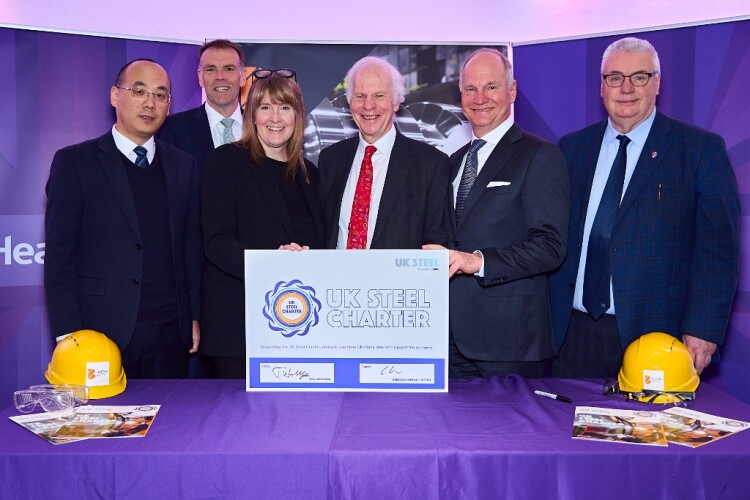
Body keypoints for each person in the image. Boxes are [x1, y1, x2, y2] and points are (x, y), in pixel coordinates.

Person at [549, 37, 740, 378]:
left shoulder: (698, 150)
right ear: (601, 86)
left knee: (650, 430)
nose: (626, 88)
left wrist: (704, 329)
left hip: (659, 337)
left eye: (639, 77)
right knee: (563, 429)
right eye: (614, 77)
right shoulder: (571, 149)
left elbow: (718, 250)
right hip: (572, 334)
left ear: (657, 83)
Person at [44, 59, 201, 378]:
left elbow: (191, 249)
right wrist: (68, 338)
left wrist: (194, 316)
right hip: (98, 334)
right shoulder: (75, 163)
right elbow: (60, 257)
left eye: (161, 95)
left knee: (173, 425)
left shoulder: (184, 166)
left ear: (168, 106)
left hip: (172, 333)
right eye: (139, 91)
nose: (150, 102)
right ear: (115, 95)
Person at [424, 48, 569, 379]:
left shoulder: (540, 155)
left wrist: (477, 261)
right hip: (447, 340)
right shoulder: (452, 161)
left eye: (491, 87)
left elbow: (550, 247)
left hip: (509, 343)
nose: (480, 98)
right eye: (470, 89)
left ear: (512, 91)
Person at [200, 70, 326, 378]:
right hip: (239, 325)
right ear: (252, 115)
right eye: (265, 107)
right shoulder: (226, 161)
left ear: (298, 116)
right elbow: (217, 242)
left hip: (299, 327)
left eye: (285, 108)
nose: (275, 118)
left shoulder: (310, 173)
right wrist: (270, 265)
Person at [318, 56, 449, 250]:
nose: (368, 105)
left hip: (400, 280)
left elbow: (435, 244)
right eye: (360, 96)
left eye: (379, 95)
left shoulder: (431, 164)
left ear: (396, 102)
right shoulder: (331, 160)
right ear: (350, 102)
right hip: (335, 278)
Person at [160, 39, 246, 174]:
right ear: (200, 77)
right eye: (211, 69)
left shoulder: (261, 128)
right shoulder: (173, 129)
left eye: (229, 69)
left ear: (242, 76)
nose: (220, 77)